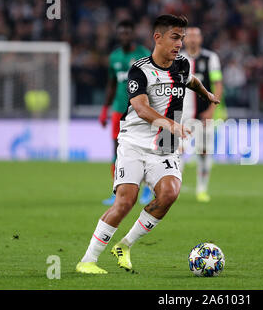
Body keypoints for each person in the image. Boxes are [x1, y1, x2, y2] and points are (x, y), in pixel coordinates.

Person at [76, 14, 220, 274]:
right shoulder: (139, 69)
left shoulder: (182, 66)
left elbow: (192, 81)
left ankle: (125, 244)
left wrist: (206, 94)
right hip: (134, 142)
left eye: (182, 38)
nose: (180, 43)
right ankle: (88, 260)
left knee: (170, 193)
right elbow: (141, 108)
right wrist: (171, 124)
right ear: (158, 37)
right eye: (175, 37)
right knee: (125, 202)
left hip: (165, 145)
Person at [98, 19, 153, 206]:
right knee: (116, 150)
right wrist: (105, 109)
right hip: (118, 110)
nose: (124, 36)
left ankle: (147, 189)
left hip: (139, 111)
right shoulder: (114, 57)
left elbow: (152, 84)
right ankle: (116, 191)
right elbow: (111, 84)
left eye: (127, 33)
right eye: (121, 33)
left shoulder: (144, 55)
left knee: (144, 149)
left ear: (133, 34)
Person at [180, 26, 225, 202]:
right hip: (182, 113)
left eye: (195, 36)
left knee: (204, 152)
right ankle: (173, 187)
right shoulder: (178, 58)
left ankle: (202, 189)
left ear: (200, 39)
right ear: (184, 39)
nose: (192, 39)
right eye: (189, 36)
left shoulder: (211, 58)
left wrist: (212, 109)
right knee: (177, 151)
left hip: (204, 114)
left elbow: (218, 84)